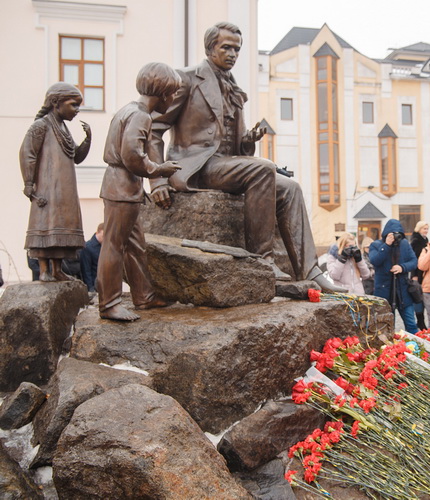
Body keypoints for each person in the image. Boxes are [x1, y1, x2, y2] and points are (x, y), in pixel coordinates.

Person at [149, 22, 342, 293]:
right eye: (226, 47)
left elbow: (236, 147)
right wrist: (157, 180)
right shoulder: (188, 79)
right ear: (210, 48)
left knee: (291, 188)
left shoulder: (234, 89)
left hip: (225, 164)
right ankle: (262, 261)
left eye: (237, 49)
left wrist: (247, 141)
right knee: (263, 170)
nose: (232, 54)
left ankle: (310, 269)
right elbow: (153, 129)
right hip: (196, 165)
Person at [97, 62, 183, 321]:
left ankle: (144, 296)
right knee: (114, 245)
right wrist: (159, 169)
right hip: (121, 186)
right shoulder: (141, 115)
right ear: (163, 92)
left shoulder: (128, 110)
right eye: (172, 94)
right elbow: (132, 156)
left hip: (127, 186)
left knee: (135, 245)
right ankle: (109, 303)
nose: (172, 100)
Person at [20, 83, 91, 282]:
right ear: (55, 103)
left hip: (64, 190)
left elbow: (76, 156)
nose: (77, 110)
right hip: (47, 187)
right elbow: (28, 154)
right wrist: (28, 182)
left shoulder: (63, 128)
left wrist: (88, 139)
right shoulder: (41, 125)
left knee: (60, 227)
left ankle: (58, 269)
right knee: (45, 225)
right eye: (73, 105)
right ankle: (44, 270)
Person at [369, 219, 418, 333]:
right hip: (384, 291)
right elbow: (375, 261)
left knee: (411, 323)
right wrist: (386, 245)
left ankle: (416, 347)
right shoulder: (376, 245)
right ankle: (391, 349)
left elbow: (414, 261)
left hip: (403, 291)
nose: (396, 237)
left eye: (398, 234)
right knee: (387, 325)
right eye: (393, 234)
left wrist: (402, 267)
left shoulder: (404, 244)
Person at [410, 221, 430, 330]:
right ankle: (420, 321)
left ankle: (421, 321)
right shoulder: (416, 240)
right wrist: (414, 275)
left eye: (427, 229)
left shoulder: (425, 240)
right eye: (424, 229)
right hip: (417, 273)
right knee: (417, 297)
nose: (426, 231)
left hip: (423, 272)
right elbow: (414, 259)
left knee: (422, 297)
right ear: (419, 229)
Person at [80, 223, 104, 292]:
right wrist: (91, 289)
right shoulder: (87, 247)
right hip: (94, 287)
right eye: (103, 235)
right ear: (97, 233)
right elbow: (86, 271)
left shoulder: (106, 247)